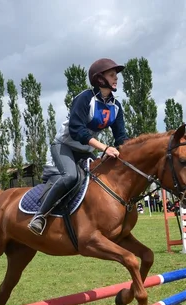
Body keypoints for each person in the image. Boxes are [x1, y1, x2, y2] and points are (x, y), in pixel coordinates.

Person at [28, 58, 128, 235]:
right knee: (70, 177)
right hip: (64, 146)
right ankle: (40, 216)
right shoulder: (84, 98)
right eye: (112, 75)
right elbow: (77, 131)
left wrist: (129, 155)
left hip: (85, 151)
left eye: (116, 75)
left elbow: (121, 137)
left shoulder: (116, 106)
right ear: (100, 78)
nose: (116, 78)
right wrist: (104, 148)